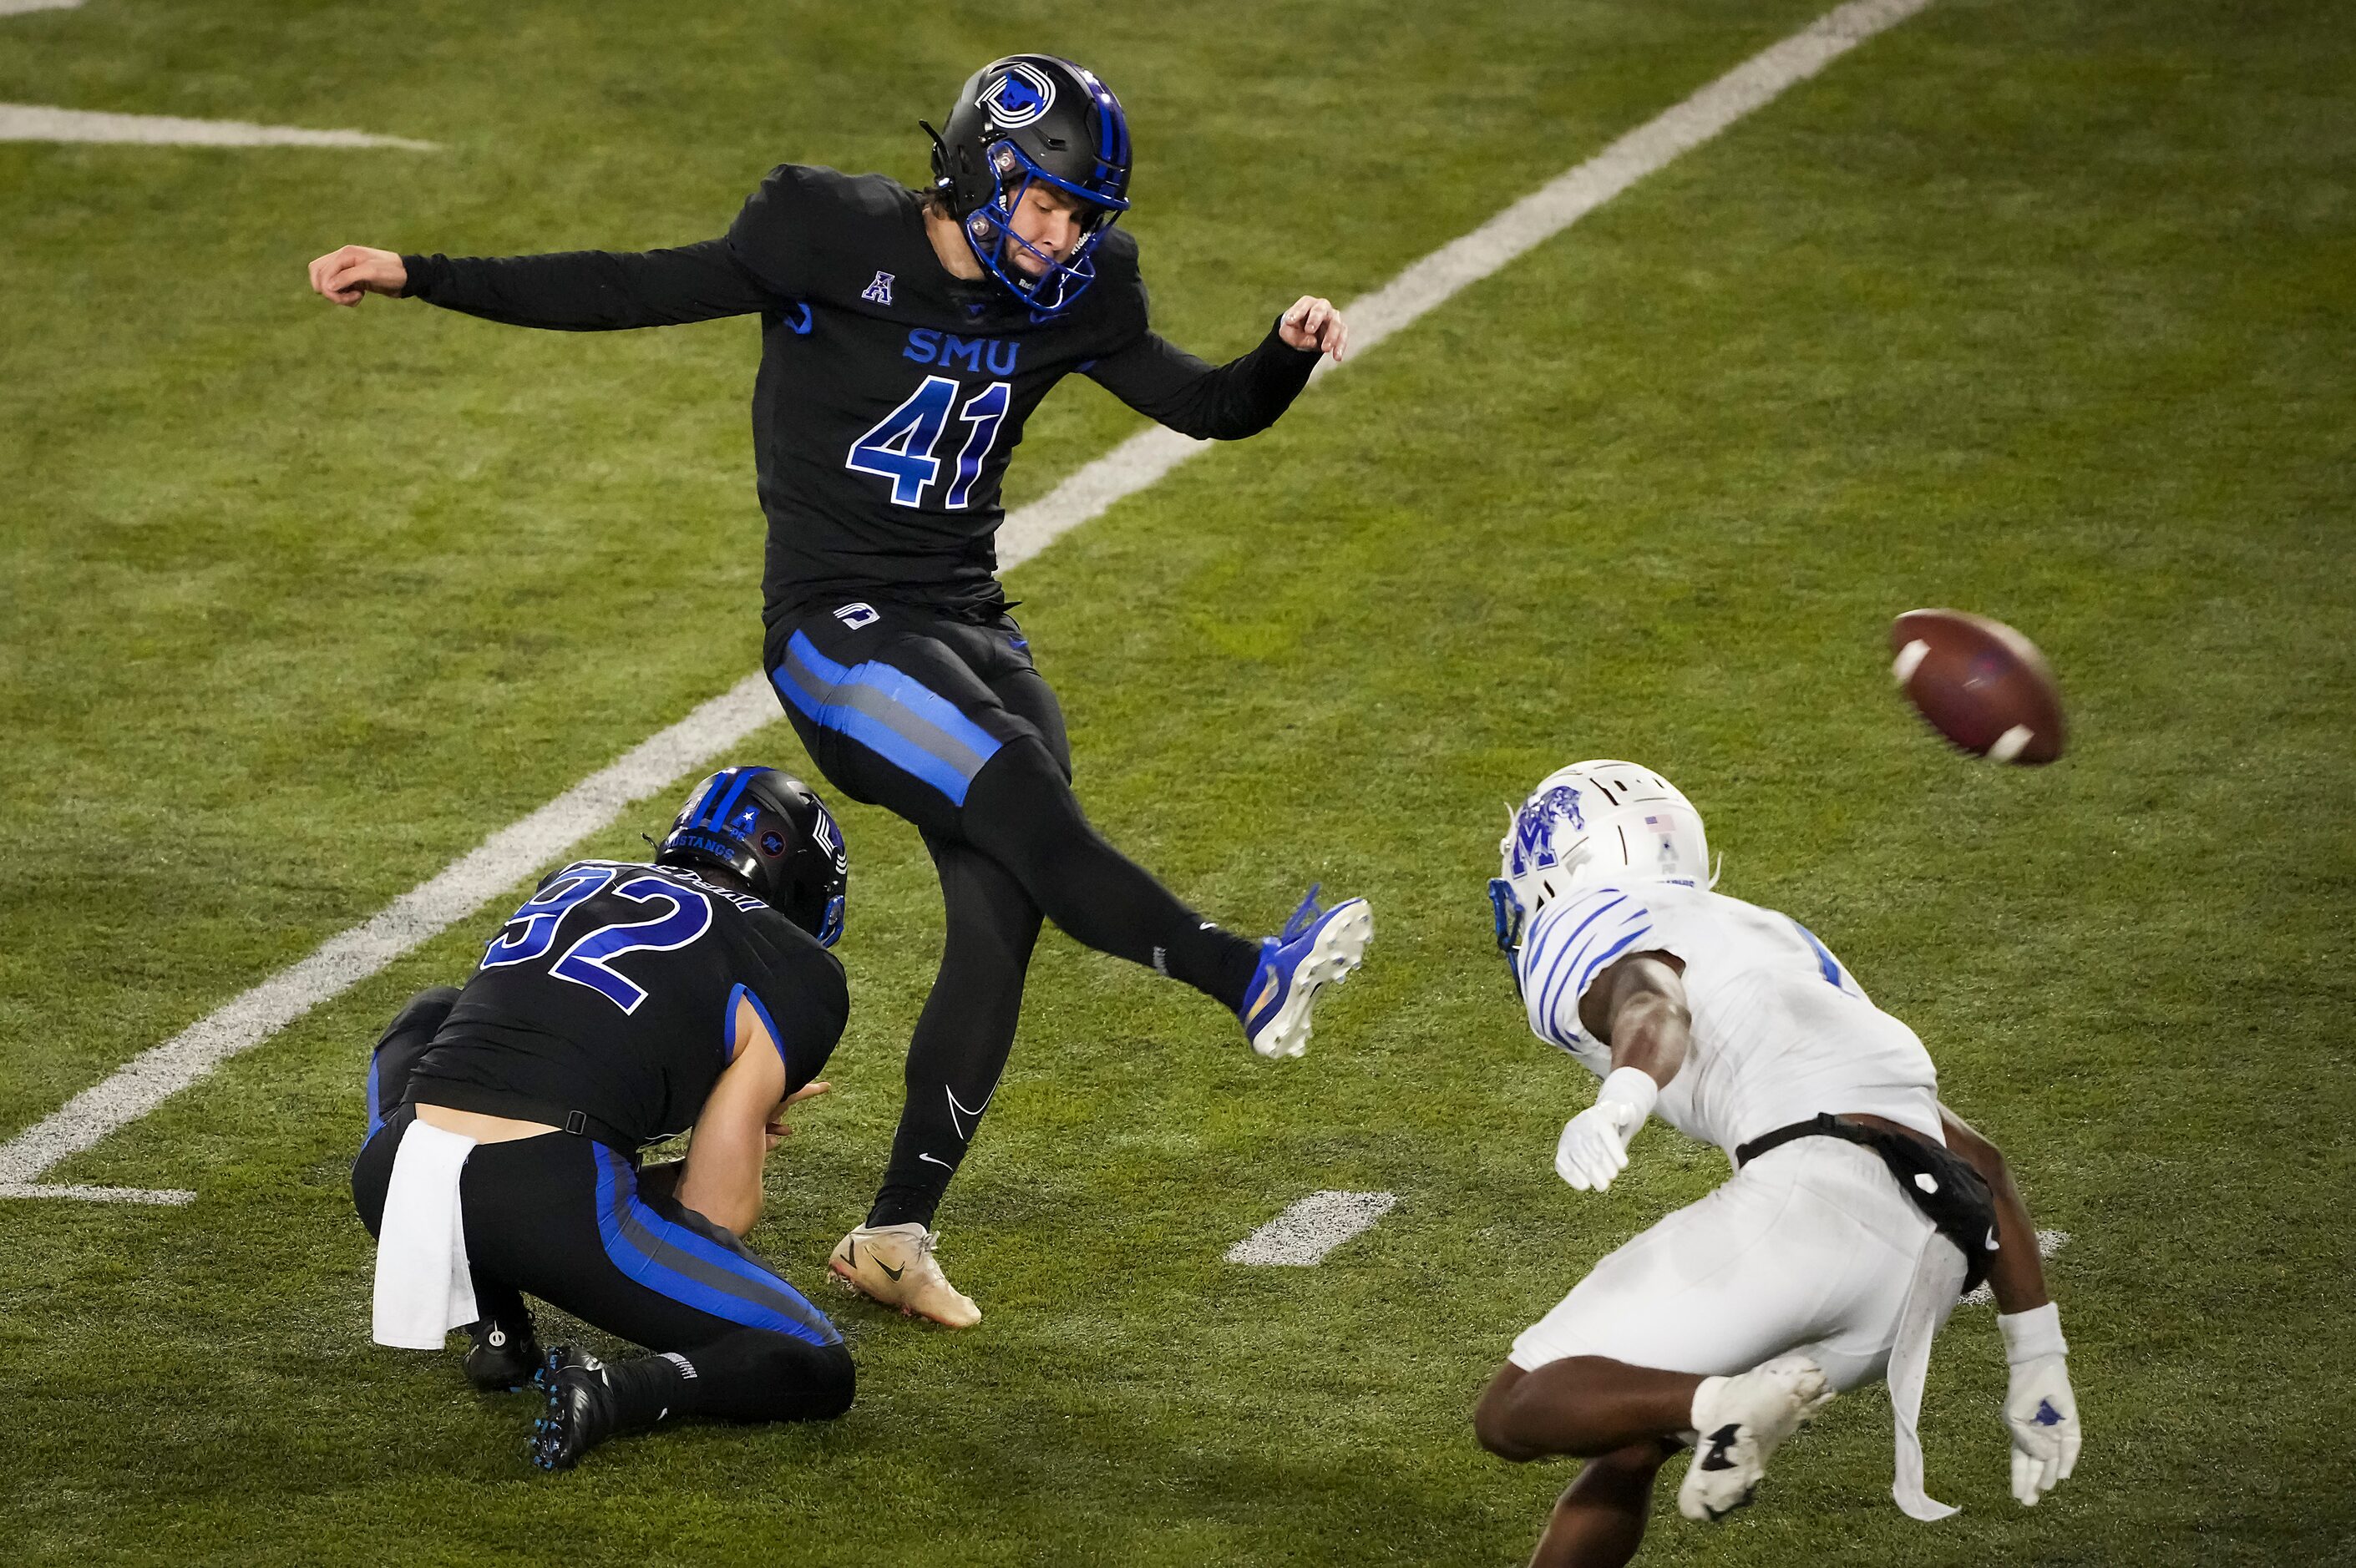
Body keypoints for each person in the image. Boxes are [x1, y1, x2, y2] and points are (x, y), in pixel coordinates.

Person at [309, 53, 1372, 1329]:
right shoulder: (824, 233)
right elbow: (624, 290)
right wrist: (420, 273)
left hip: (974, 624)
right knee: (1026, 798)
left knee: (1005, 913)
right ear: (981, 168)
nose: (1063, 233)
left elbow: (1205, 406)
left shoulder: (1082, 293)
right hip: (838, 632)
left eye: (1084, 214)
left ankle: (895, 1234)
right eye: (1043, 202)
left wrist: (1284, 355)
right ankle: (1244, 973)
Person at [1470, 761, 2083, 1568]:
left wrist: (1622, 1096)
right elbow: (1983, 1162)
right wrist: (2036, 1356)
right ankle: (1717, 1406)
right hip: (1925, 1272)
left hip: (1816, 1203)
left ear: (1568, 865)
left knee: (1514, 1410)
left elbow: (1652, 996)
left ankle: (1725, 1405)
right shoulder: (1773, 934)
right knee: (1626, 1432)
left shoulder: (1590, 919)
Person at [352, 766, 857, 1470]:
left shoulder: (577, 877)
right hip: (546, 1194)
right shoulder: (799, 967)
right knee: (816, 1359)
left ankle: (496, 1328)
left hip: (396, 1175)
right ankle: (617, 1391)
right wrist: (739, 1123)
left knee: (432, 1011)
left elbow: (521, 1048)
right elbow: (716, 1212)